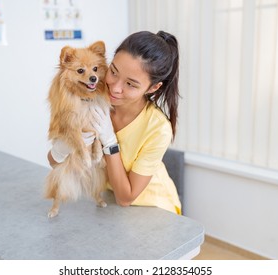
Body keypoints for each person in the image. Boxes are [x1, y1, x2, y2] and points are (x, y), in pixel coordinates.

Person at [48, 30, 182, 214]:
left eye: (131, 84)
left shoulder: (158, 129)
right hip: (110, 204)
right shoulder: (94, 99)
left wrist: (110, 143)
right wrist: (63, 147)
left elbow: (126, 197)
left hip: (153, 209)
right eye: (113, 72)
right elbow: (55, 161)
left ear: (153, 88)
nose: (115, 88)